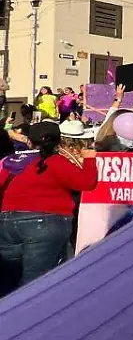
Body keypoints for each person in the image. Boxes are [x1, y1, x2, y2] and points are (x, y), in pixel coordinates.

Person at [0, 121, 98, 295]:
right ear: (58, 142)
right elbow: (86, 183)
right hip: (44, 222)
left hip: (7, 222)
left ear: (29, 141)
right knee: (35, 284)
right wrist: (90, 160)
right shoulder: (55, 161)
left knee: (8, 280)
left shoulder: (13, 161)